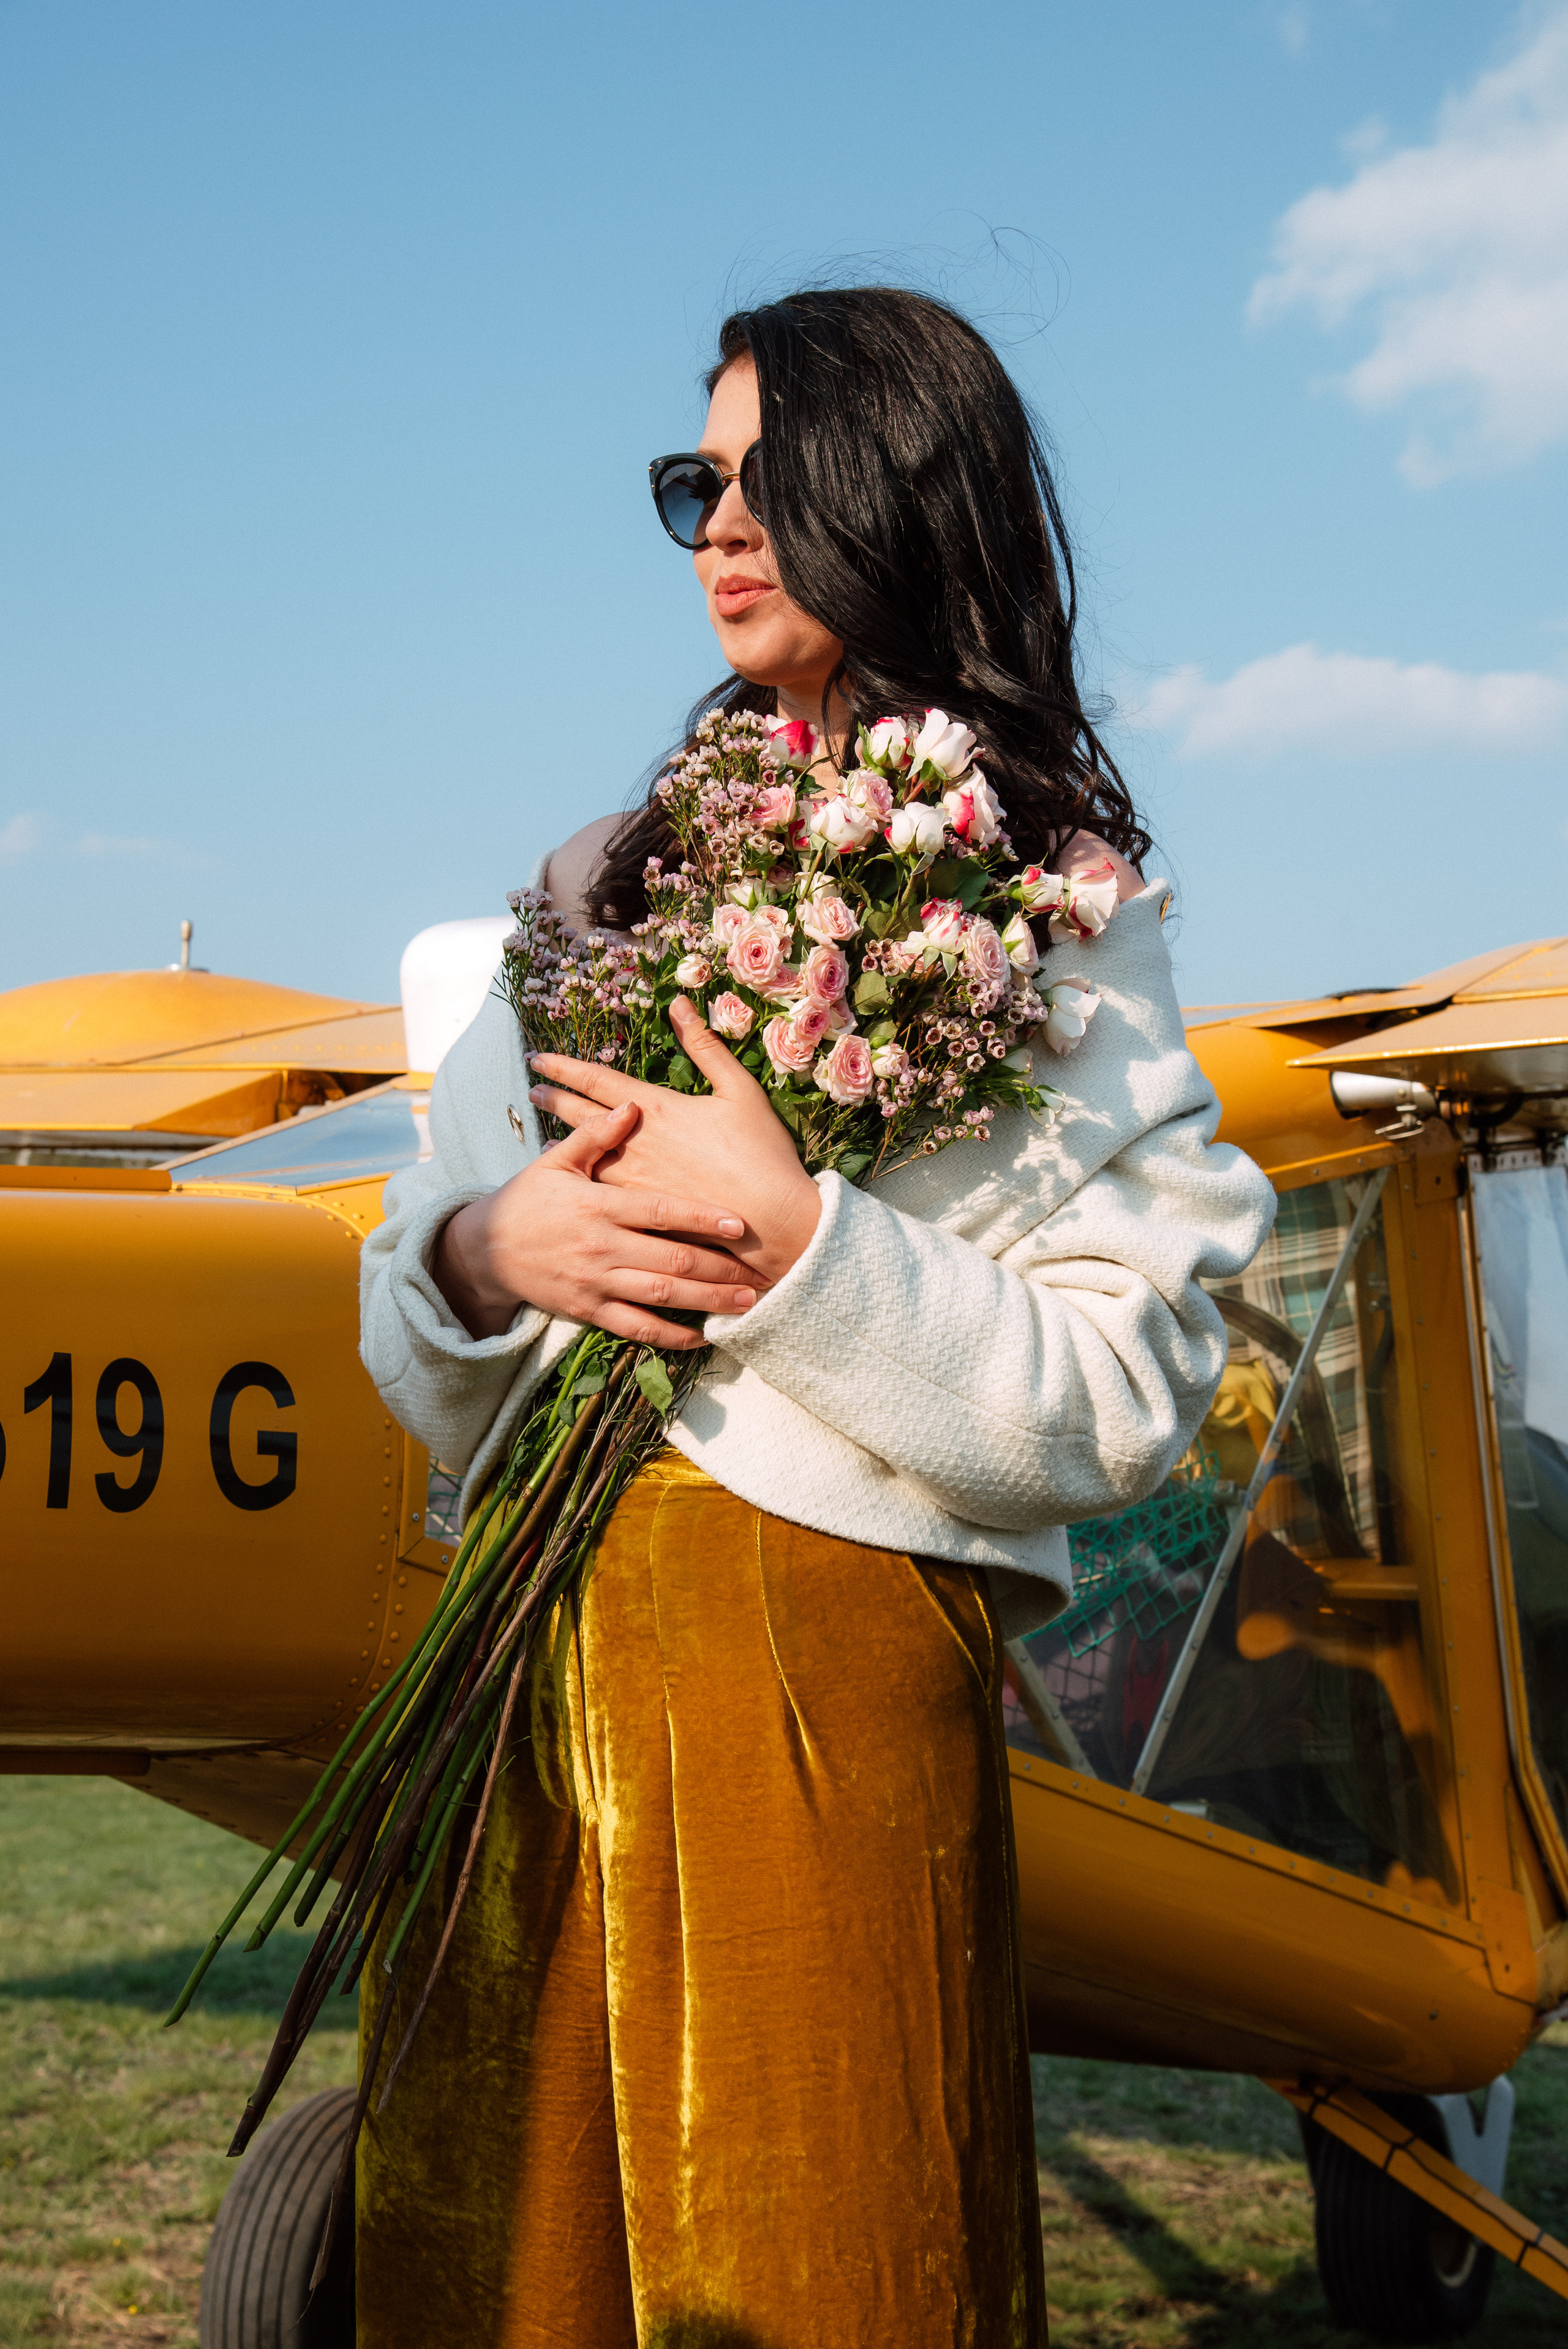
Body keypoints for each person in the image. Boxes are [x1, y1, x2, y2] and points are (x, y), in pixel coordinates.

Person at [356, 286, 1275, 2348]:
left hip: (826, 1696)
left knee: (823, 2259)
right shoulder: (603, 883)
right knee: (499, 2268)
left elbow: (1133, 1388)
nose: (722, 528)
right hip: (520, 1675)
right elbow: (404, 1272)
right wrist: (490, 1258)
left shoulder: (1061, 914)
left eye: (777, 478)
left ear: (910, 491)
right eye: (699, 482)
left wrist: (802, 1247)